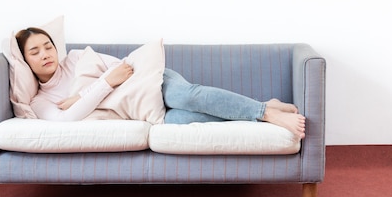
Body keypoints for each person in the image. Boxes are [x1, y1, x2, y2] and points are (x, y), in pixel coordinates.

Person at [15, 27, 306, 139]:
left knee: (187, 96)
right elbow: (66, 121)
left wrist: (84, 95)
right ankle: (266, 107)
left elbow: (123, 69)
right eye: (35, 51)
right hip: (141, 110)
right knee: (188, 118)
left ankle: (267, 113)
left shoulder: (77, 58)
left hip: (151, 81)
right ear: (25, 60)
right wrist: (91, 92)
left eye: (48, 46)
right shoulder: (40, 101)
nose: (45, 55)